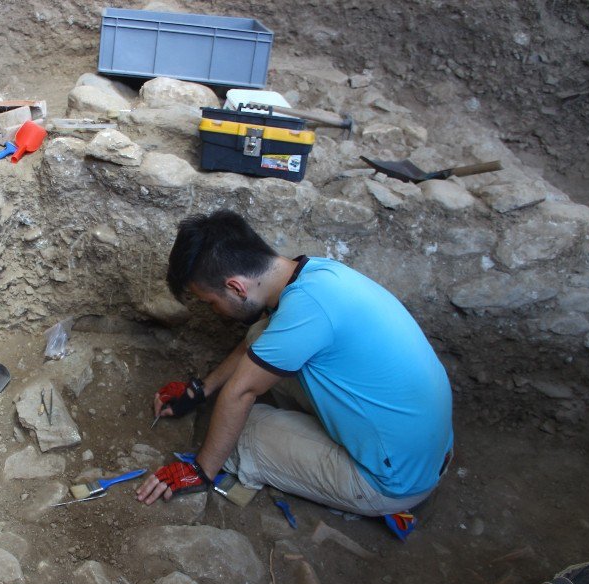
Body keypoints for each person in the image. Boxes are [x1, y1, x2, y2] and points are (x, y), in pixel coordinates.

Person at [136, 211, 453, 526]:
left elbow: (241, 391)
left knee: (242, 429)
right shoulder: (314, 276)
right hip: (423, 450)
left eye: (209, 302)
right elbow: (261, 339)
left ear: (236, 287)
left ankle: (361, 490)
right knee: (262, 348)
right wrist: (201, 390)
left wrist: (202, 470)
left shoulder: (306, 311)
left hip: (392, 481)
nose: (213, 310)